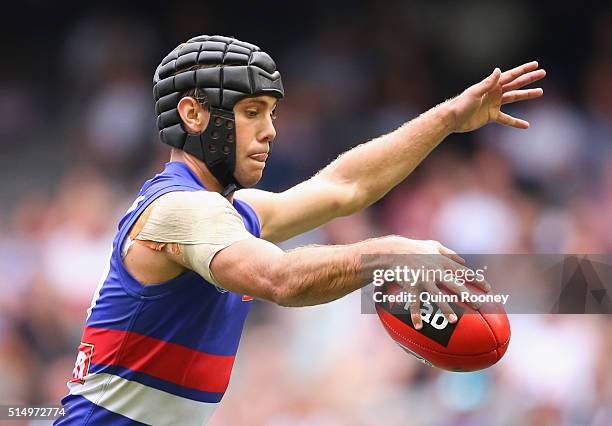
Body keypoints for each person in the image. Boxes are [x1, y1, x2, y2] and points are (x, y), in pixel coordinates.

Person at [55, 35, 545, 425]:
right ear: (193, 114)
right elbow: (280, 279)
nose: (270, 131)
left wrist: (447, 118)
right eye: (251, 113)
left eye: (271, 114)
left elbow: (344, 187)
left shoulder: (228, 211)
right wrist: (390, 252)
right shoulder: (178, 210)